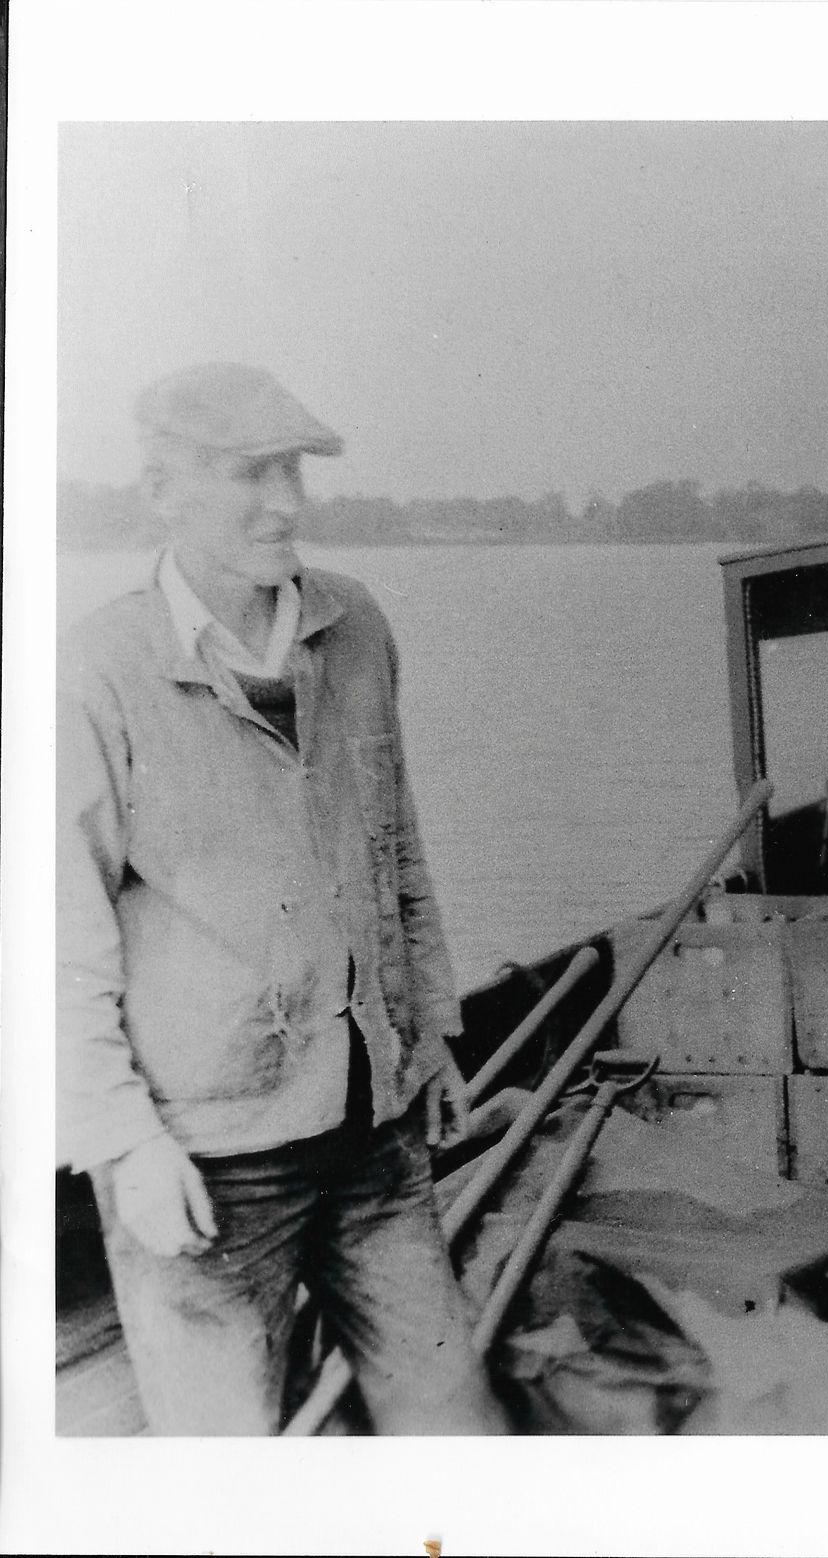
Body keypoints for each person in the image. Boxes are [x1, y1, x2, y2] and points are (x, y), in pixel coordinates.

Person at [57, 363, 507, 1434]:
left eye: (294, 472)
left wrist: (429, 1028)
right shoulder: (96, 671)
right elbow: (53, 942)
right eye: (249, 475)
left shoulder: (354, 626)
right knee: (225, 1488)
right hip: (206, 1163)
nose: (288, 504)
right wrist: (125, 1145)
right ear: (163, 488)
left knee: (454, 1427)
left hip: (372, 1133)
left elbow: (395, 848)